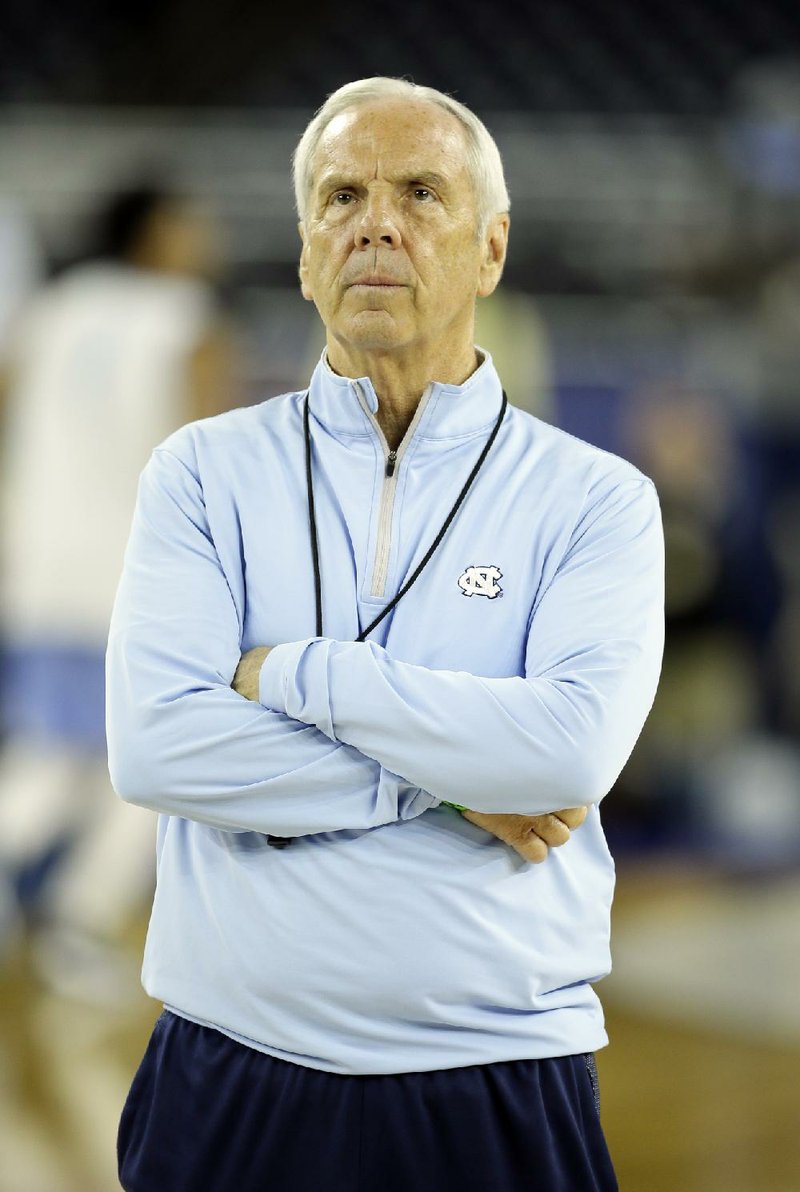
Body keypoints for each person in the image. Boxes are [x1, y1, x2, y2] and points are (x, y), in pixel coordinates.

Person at [107, 78, 664, 1192]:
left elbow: (561, 757)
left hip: (498, 1074)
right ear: (307, 250)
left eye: (420, 193)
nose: (376, 222)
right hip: (231, 1072)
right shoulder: (203, 474)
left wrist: (288, 674)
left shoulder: (595, 498)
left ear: (489, 248)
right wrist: (454, 784)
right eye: (341, 195)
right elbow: (159, 747)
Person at [0, 183, 235, 996]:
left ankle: (52, 907)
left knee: (50, 754)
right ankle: (77, 922)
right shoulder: (186, 317)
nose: (202, 237)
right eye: (189, 221)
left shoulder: (53, 308)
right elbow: (203, 454)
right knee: (150, 763)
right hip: (131, 569)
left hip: (37, 565)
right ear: (153, 232)